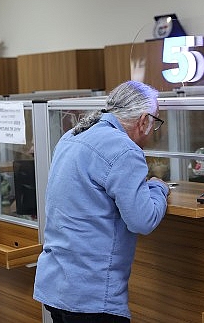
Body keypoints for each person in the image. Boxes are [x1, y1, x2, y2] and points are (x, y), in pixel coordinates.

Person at [33, 81, 170, 323]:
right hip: (91, 296)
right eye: (156, 122)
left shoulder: (72, 136)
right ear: (143, 121)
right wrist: (158, 187)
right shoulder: (124, 150)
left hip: (56, 283)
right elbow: (143, 220)